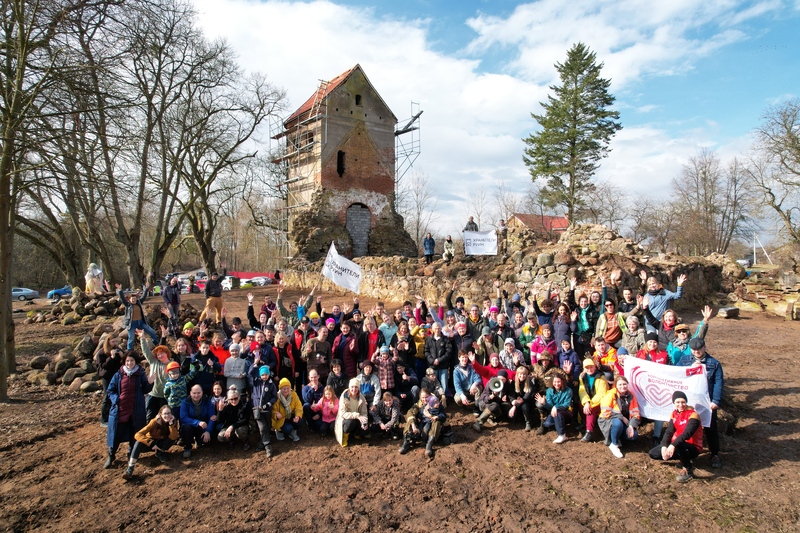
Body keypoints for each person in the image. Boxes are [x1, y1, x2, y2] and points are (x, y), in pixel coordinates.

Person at [675, 337, 724, 468]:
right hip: (688, 402)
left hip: (707, 402)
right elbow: (676, 374)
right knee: (686, 427)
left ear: (704, 347)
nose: (696, 352)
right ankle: (686, 453)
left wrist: (716, 401)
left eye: (699, 349)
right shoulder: (684, 360)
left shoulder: (714, 363)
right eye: (694, 349)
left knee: (711, 428)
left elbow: (718, 383)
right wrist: (691, 369)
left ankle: (715, 454)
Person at [104, 351, 150, 469]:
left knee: (133, 433)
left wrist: (151, 382)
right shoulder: (118, 374)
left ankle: (130, 453)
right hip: (120, 409)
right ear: (124, 362)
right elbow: (110, 390)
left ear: (136, 362)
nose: (129, 363)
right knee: (115, 433)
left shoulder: (140, 374)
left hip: (135, 410)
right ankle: (111, 455)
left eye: (132, 360)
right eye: (127, 361)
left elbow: (146, 390)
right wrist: (116, 399)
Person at [648, 391, 704, 482]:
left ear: (686, 402)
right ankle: (682, 457)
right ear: (674, 403)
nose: (681, 405)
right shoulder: (674, 414)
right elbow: (669, 432)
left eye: (683, 402)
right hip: (677, 444)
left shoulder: (693, 415)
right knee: (653, 453)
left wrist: (673, 445)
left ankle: (688, 469)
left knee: (680, 444)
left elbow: (687, 434)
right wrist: (664, 446)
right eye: (678, 402)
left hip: (692, 447)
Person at [123, 404, 179, 479]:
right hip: (150, 444)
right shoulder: (154, 422)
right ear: (160, 414)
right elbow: (138, 434)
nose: (167, 416)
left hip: (160, 444)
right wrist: (151, 443)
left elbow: (174, 437)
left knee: (171, 439)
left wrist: (171, 425)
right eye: (165, 414)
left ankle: (159, 452)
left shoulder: (173, 421)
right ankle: (130, 468)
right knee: (138, 442)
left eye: (169, 413)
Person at [598, 376, 640, 458]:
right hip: (608, 420)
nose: (622, 386)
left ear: (627, 384)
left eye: (624, 384)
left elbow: (635, 412)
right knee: (618, 424)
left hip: (626, 422)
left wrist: (631, 426)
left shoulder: (631, 395)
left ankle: (618, 437)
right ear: (616, 385)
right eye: (620, 384)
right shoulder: (610, 395)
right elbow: (605, 412)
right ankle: (614, 444)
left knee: (633, 436)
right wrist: (622, 417)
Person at [399, 389, 446, 458]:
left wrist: (431, 416)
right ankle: (407, 442)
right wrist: (414, 422)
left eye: (426, 397)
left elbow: (443, 416)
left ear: (430, 395)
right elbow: (411, 412)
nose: (424, 399)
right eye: (422, 397)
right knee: (410, 419)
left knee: (437, 422)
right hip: (422, 423)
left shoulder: (436, 403)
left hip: (433, 426)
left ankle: (429, 444)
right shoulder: (419, 404)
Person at [115, 284, 158, 351]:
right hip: (132, 324)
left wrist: (146, 289)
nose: (134, 300)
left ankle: (155, 342)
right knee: (131, 338)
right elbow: (122, 298)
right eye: (132, 299)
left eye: (135, 299)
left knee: (152, 331)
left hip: (140, 322)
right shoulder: (128, 305)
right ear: (129, 300)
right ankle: (129, 350)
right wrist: (120, 290)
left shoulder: (139, 303)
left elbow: (143, 296)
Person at [140, 334, 171, 422]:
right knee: (150, 417)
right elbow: (146, 351)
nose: (160, 356)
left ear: (167, 353)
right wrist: (142, 338)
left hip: (165, 396)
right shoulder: (153, 361)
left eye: (162, 354)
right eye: (158, 355)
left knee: (164, 419)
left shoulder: (172, 364)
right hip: (152, 394)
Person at [179, 384, 216, 459]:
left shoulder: (207, 402)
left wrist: (208, 431)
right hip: (190, 426)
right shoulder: (185, 402)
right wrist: (197, 422)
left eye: (198, 393)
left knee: (208, 441)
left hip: (202, 427)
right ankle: (187, 447)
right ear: (190, 393)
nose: (196, 395)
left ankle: (198, 440)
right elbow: (183, 418)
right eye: (194, 393)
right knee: (187, 427)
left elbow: (212, 417)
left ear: (202, 392)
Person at [248, 364, 277, 457]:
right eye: (262, 375)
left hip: (267, 409)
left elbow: (274, 397)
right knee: (262, 427)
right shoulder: (256, 382)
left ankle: (262, 442)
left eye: (266, 374)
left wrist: (268, 404)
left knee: (267, 426)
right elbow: (250, 374)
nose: (264, 376)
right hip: (257, 409)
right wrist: (254, 365)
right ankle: (268, 446)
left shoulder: (271, 384)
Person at [535, 374, 573, 443]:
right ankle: (561, 425)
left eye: (558, 382)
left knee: (558, 413)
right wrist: (544, 403)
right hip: (554, 412)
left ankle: (562, 435)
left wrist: (556, 407)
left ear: (562, 382)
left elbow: (567, 404)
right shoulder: (549, 391)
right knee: (547, 424)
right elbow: (550, 406)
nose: (556, 384)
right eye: (555, 382)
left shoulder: (568, 390)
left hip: (566, 412)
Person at [577, 358, 608, 443]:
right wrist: (586, 402)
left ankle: (589, 431)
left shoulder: (601, 377)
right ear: (584, 369)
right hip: (589, 401)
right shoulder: (582, 377)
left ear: (594, 367)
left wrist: (590, 403)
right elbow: (582, 391)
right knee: (580, 404)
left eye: (591, 367)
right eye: (587, 368)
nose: (589, 369)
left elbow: (601, 393)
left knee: (591, 409)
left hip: (600, 402)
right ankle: (586, 422)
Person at [335, 378, 369, 447]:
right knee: (350, 422)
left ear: (359, 388)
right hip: (345, 420)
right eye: (352, 387)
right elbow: (343, 413)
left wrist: (364, 421)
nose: (354, 389)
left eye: (356, 387)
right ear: (349, 387)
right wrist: (357, 415)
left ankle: (356, 433)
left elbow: (364, 412)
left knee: (366, 430)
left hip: (357, 418)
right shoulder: (344, 397)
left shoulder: (361, 397)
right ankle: (345, 436)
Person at [424, 322, 452, 399]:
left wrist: (439, 360)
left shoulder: (446, 339)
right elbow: (426, 352)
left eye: (439, 328)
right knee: (433, 384)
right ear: (432, 329)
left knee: (444, 384)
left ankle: (444, 400)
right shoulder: (429, 339)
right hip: (432, 366)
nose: (437, 330)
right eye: (435, 328)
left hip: (443, 366)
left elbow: (448, 352)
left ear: (441, 329)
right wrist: (432, 361)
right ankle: (434, 399)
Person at [272, 377, 302, 443]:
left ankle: (292, 431)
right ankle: (279, 431)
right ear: (280, 389)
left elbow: (299, 407)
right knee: (288, 428)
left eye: (288, 388)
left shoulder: (294, 395)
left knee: (300, 421)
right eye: (284, 388)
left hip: (290, 416)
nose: (286, 390)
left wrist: (297, 416)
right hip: (281, 419)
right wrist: (276, 414)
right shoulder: (276, 397)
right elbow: (272, 410)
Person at [453, 350, 482, 415]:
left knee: (478, 388)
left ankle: (476, 407)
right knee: (457, 398)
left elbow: (478, 378)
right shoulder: (456, 371)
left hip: (472, 390)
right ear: (459, 358)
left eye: (466, 357)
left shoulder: (471, 367)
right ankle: (464, 405)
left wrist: (474, 385)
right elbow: (457, 385)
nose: (464, 359)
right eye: (463, 357)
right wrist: (462, 395)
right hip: (464, 391)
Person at [509, 366, 536, 431]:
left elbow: (527, 396)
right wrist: (513, 401)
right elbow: (511, 394)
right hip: (516, 401)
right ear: (517, 374)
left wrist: (516, 405)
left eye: (524, 374)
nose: (522, 376)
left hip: (527, 402)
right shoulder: (513, 383)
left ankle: (528, 422)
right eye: (520, 374)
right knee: (510, 415)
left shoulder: (529, 383)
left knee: (524, 406)